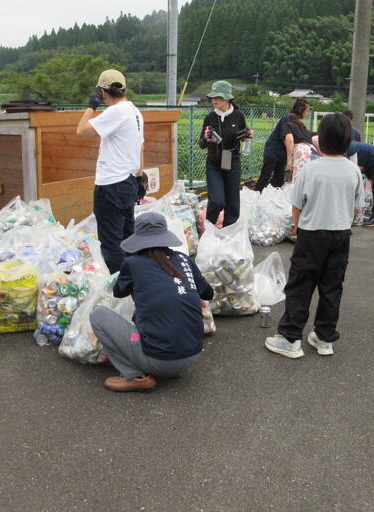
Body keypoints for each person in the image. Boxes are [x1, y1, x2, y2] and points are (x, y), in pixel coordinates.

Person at [264, 113, 362, 358]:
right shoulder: (353, 171)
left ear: (321, 139)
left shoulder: (311, 169)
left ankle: (290, 338)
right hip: (341, 235)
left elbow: (296, 206)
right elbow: (357, 208)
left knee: (300, 285)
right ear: (347, 140)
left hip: (311, 235)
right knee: (332, 287)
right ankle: (324, 337)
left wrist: (299, 227)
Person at [90, 212, 214, 392]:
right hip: (192, 355)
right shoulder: (185, 260)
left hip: (159, 362)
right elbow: (208, 293)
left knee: (98, 315)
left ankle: (136, 377)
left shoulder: (133, 263)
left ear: (138, 239)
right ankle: (167, 364)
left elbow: (119, 292)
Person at [76, 69, 145, 274]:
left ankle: (120, 290)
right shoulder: (135, 112)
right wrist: (140, 178)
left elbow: (80, 132)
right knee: (128, 239)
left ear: (103, 92)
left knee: (111, 244)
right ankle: (135, 282)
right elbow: (140, 146)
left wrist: (91, 105)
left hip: (111, 185)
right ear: (124, 89)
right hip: (129, 182)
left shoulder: (116, 112)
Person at [198, 80, 252, 226]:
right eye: (212, 97)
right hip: (214, 163)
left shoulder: (239, 116)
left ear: (227, 98)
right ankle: (208, 229)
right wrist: (205, 137)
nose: (213, 100)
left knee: (233, 203)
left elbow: (242, 136)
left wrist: (248, 135)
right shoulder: (209, 117)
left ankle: (229, 234)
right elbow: (201, 144)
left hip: (232, 161)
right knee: (216, 200)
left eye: (218, 97)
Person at [255, 97, 310, 191]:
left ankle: (272, 199)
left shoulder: (295, 120)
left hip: (282, 153)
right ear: (301, 110)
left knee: (278, 179)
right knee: (265, 176)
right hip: (273, 151)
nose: (307, 113)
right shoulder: (289, 118)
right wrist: (290, 158)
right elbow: (288, 139)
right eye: (307, 111)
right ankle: (256, 197)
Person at [348, 140, 374, 226]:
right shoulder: (342, 150)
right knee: (364, 190)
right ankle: (365, 213)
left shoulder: (350, 148)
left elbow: (354, 171)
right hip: (365, 165)